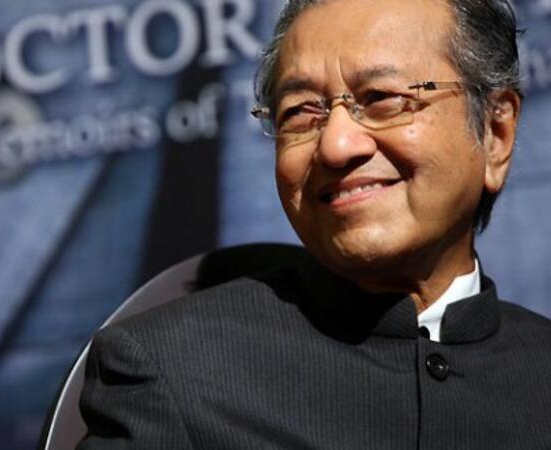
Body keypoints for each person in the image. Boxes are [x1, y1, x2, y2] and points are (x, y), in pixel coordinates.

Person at [76, 0, 551, 448]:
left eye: (382, 98)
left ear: (495, 134)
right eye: (301, 113)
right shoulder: (171, 371)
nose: (336, 146)